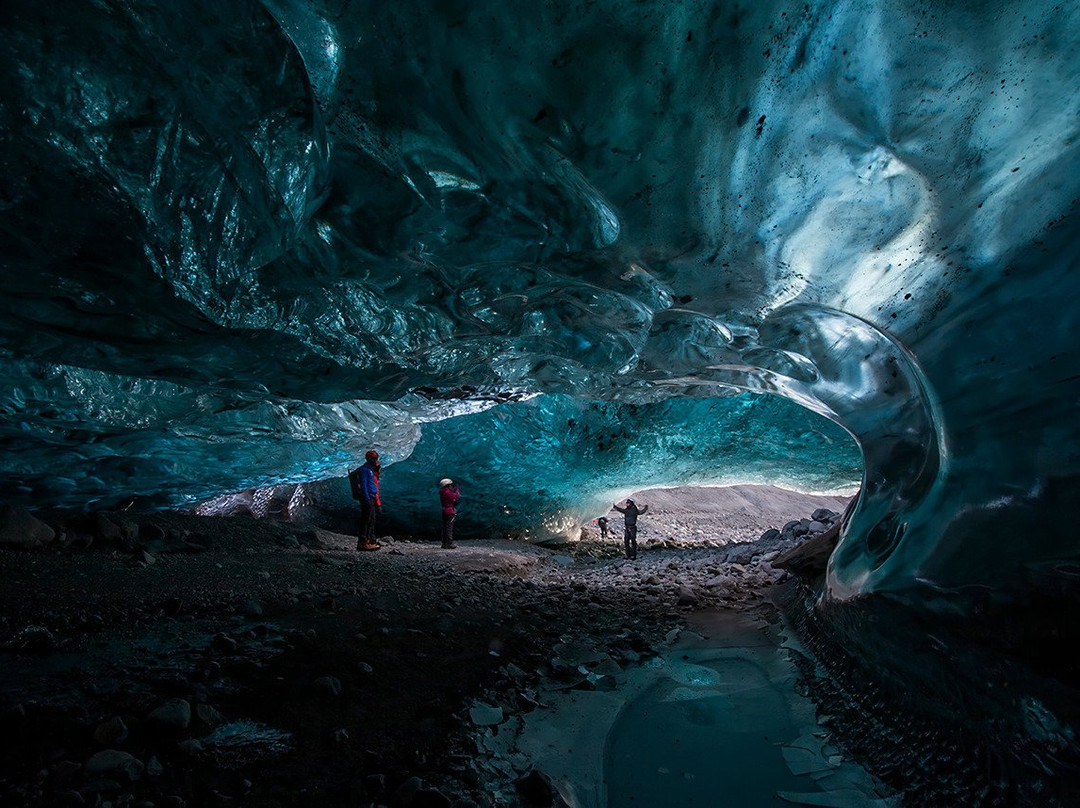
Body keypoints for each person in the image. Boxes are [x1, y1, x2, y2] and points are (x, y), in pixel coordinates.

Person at [353, 450, 382, 551]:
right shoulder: (364, 470)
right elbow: (364, 485)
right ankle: (363, 542)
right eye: (373, 458)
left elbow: (374, 483)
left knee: (371, 519)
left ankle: (369, 540)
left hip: (371, 497)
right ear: (368, 459)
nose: (375, 460)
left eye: (376, 458)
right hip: (367, 497)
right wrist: (366, 498)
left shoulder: (370, 470)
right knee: (366, 519)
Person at [438, 478, 460, 549]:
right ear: (447, 485)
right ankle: (449, 544)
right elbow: (455, 497)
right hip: (450, 511)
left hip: (444, 511)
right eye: (451, 485)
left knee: (444, 527)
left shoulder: (442, 492)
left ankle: (444, 543)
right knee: (449, 528)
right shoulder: (447, 492)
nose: (452, 486)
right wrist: (457, 491)